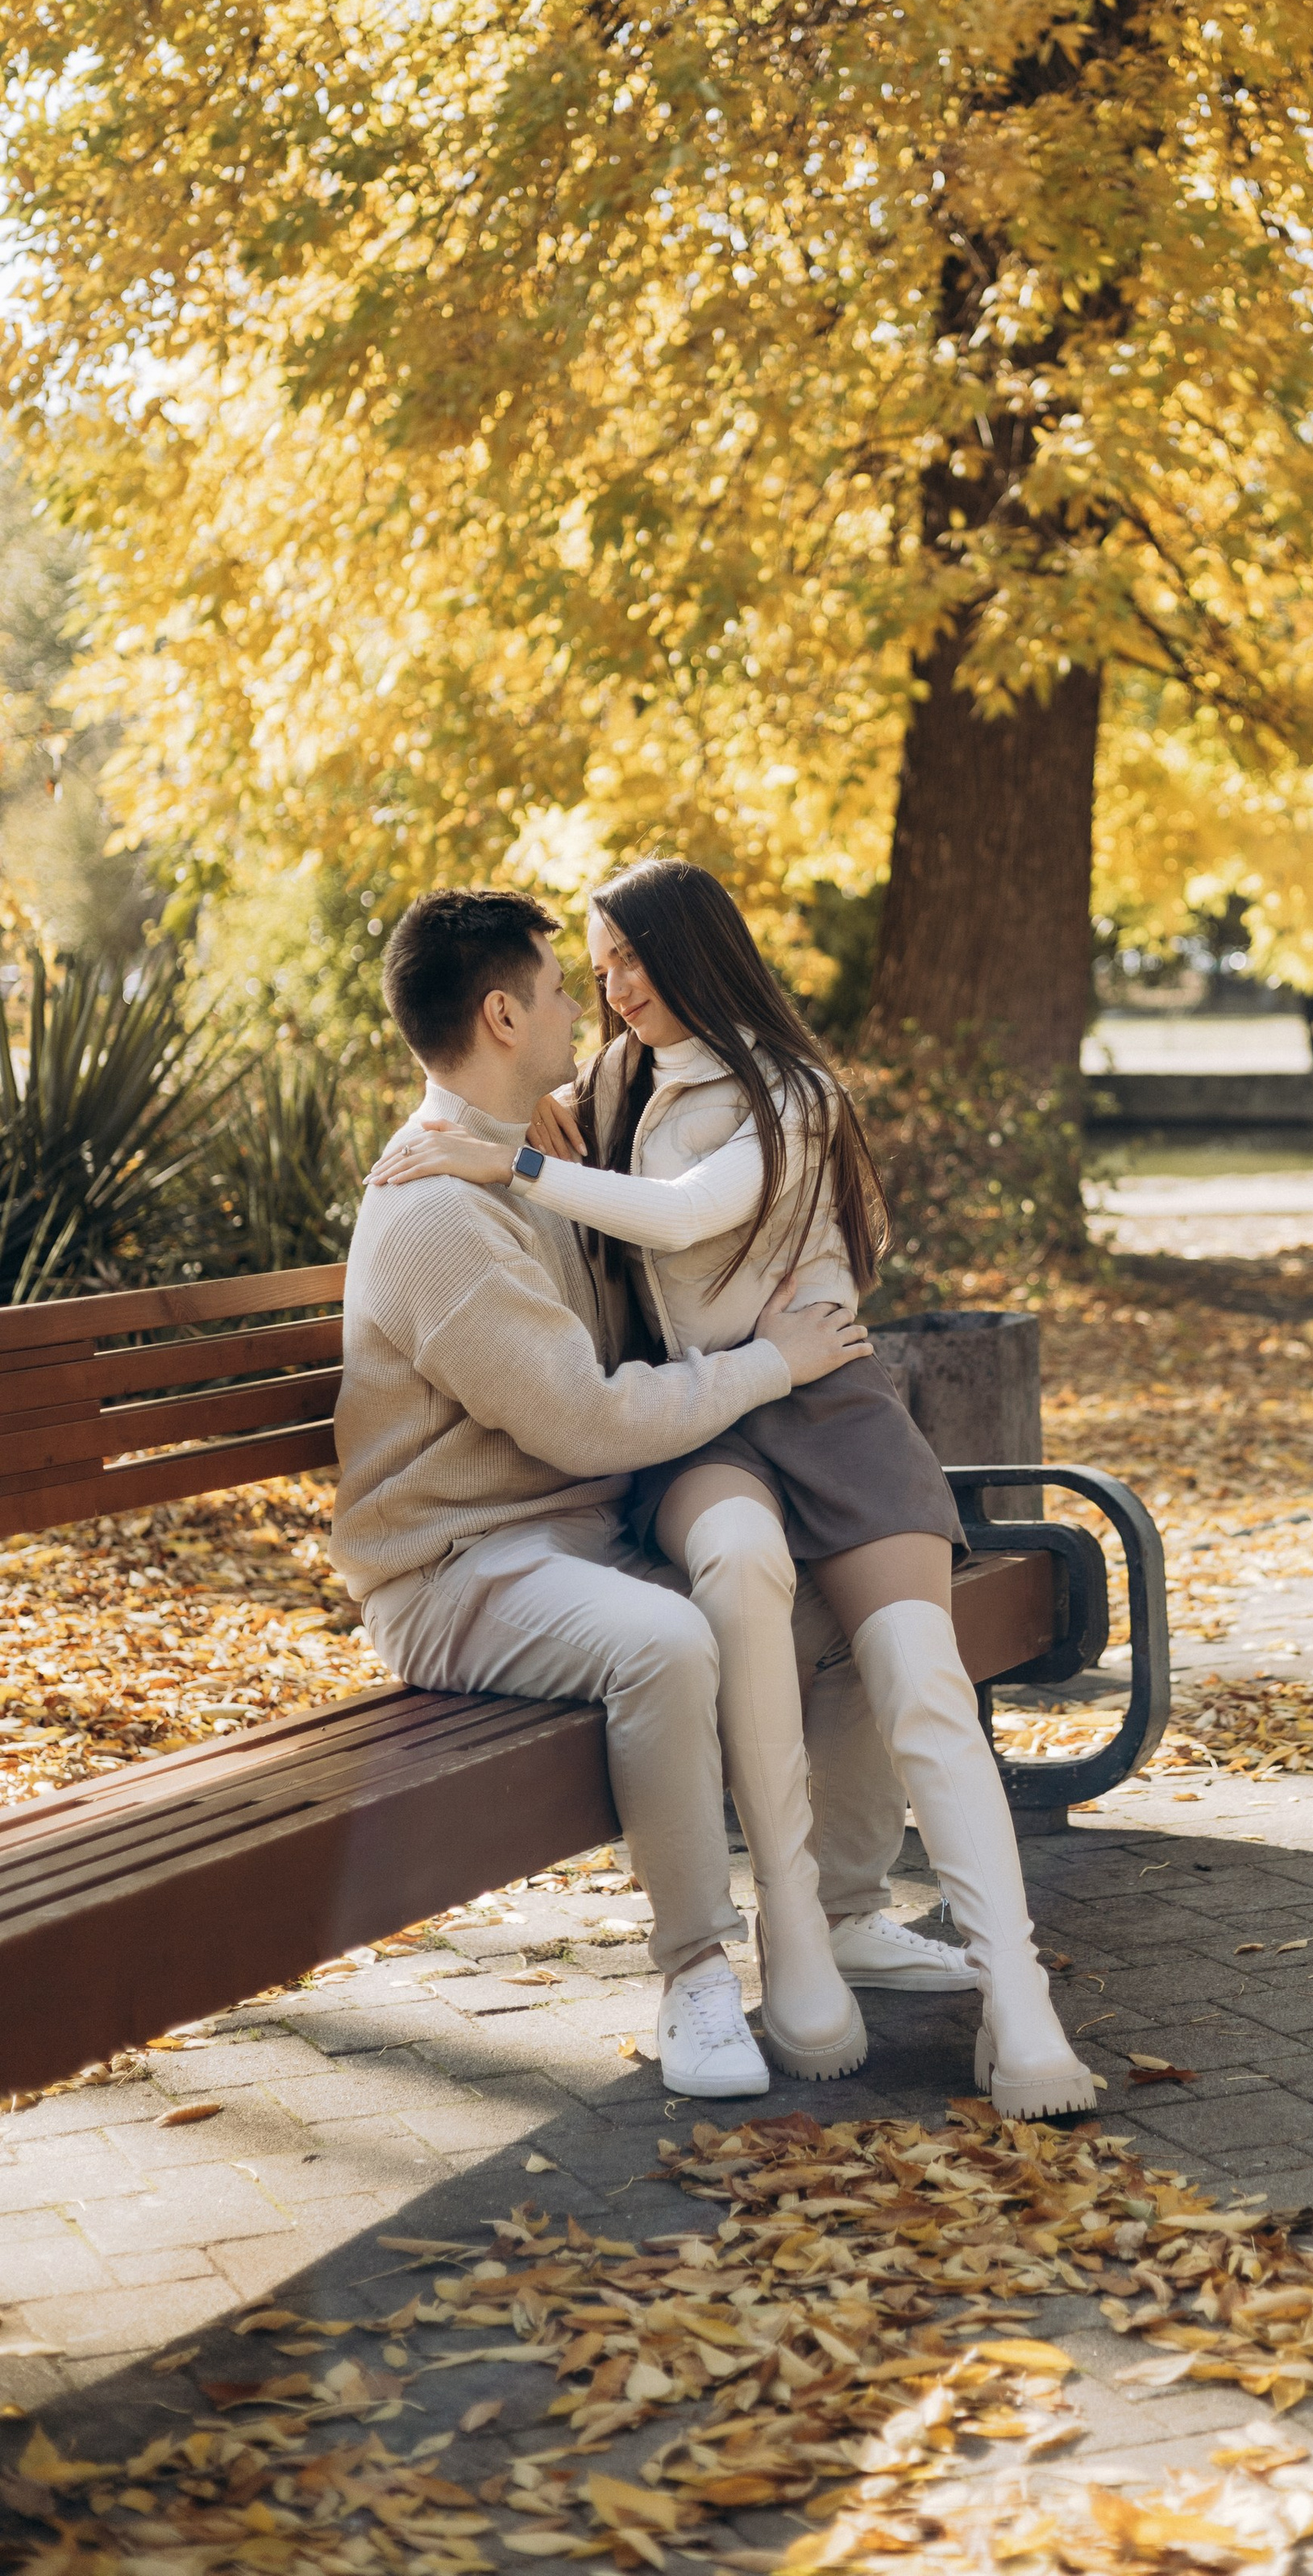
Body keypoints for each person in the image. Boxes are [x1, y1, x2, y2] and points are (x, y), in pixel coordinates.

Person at [368, 858, 1096, 2121]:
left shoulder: (785, 1090)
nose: (607, 992)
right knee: (734, 1588)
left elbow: (688, 1213)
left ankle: (1009, 1994)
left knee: (905, 1661)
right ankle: (775, 1947)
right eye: (589, 972)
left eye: (627, 961)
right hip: (670, 1449)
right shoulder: (589, 1099)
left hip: (806, 1415)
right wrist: (527, 1133)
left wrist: (515, 1160)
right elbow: (522, 1113)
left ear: (693, 950)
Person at [336, 884, 901, 2103]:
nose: (588, 1010)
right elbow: (584, 1421)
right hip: (454, 1568)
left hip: (583, 1536)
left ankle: (850, 1914)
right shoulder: (436, 1211)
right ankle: (695, 1974)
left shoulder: (541, 1146)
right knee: (667, 1644)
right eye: (562, 989)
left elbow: (681, 1167)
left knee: (833, 1607)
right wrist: (771, 1365)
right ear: (502, 1016)